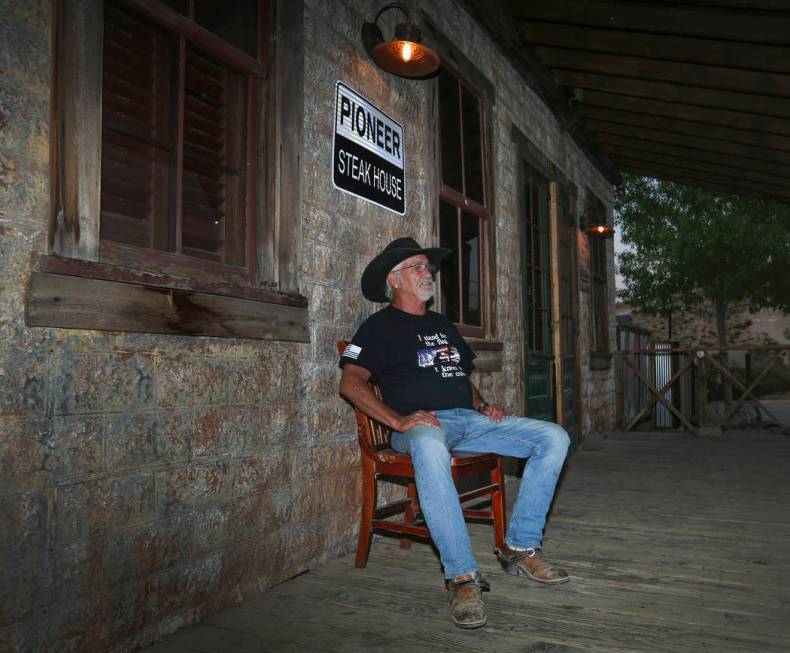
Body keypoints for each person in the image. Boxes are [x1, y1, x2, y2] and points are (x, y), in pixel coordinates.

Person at [338, 237, 570, 629]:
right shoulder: (378, 327)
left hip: (468, 420)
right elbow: (350, 383)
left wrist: (482, 405)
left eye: (427, 267)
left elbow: (457, 375)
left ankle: (519, 546)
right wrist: (397, 421)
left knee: (554, 437)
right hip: (421, 428)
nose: (427, 272)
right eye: (417, 267)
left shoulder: (442, 324)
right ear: (394, 280)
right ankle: (462, 576)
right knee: (430, 447)